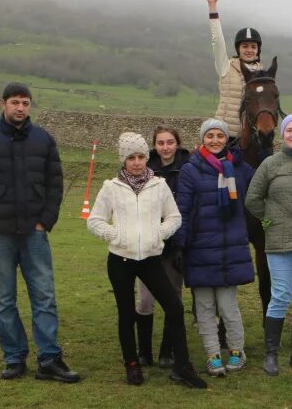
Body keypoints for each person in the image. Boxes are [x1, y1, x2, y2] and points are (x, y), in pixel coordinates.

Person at [0, 83, 80, 383]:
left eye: (25, 103)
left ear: (30, 105)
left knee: (44, 296)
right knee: (3, 300)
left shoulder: (44, 140)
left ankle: (49, 359)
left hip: (34, 233)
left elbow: (55, 184)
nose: (20, 108)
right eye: (15, 102)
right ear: (3, 103)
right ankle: (14, 358)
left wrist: (45, 221)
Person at [86, 133, 207, 389]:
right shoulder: (111, 187)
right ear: (123, 159)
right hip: (120, 259)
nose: (137, 162)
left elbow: (174, 217)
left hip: (151, 258)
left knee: (174, 308)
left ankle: (182, 366)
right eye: (131, 157)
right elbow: (94, 220)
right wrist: (114, 234)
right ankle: (132, 365)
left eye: (141, 157)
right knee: (127, 314)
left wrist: (158, 234)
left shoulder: (159, 185)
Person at [173, 119, 256, 377]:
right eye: (210, 136)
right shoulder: (190, 169)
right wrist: (179, 244)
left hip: (230, 248)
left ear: (226, 138)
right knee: (205, 308)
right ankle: (212, 354)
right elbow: (183, 209)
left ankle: (236, 350)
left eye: (220, 135)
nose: (215, 140)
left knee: (229, 306)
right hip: (199, 248)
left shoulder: (240, 169)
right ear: (202, 139)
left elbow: (261, 189)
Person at [245, 114, 292, 376]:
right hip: (279, 239)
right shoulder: (269, 164)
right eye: (289, 129)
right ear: (282, 134)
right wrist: (270, 219)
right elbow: (252, 198)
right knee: (279, 295)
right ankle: (271, 355)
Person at [134, 126, 190, 368]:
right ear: (154, 145)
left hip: (175, 243)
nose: (165, 147)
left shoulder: (188, 168)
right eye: (160, 143)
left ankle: (167, 351)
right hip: (147, 245)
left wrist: (180, 245)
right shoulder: (143, 170)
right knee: (144, 300)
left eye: (170, 142)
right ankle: (144, 352)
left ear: (177, 143)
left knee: (173, 298)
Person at [203, 0, 266, 143]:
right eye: (245, 46)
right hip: (225, 135)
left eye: (253, 46)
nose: (249, 50)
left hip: (251, 138)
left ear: (258, 50)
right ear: (238, 49)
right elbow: (217, 41)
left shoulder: (263, 76)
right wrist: (213, 7)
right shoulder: (226, 66)